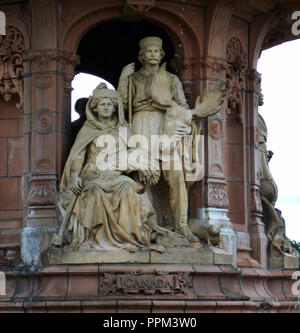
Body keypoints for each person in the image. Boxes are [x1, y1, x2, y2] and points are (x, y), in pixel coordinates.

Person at [118, 36, 224, 243]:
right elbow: (122, 105)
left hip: (165, 125)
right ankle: (147, 224)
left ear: (161, 55)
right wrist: (123, 78)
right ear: (141, 56)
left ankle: (181, 225)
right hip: (140, 125)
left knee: (175, 173)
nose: (152, 54)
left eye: (156, 51)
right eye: (148, 51)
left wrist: (188, 116)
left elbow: (182, 107)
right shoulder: (133, 79)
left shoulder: (172, 80)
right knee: (143, 174)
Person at [57, 83, 160, 252]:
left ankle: (129, 239)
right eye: (102, 104)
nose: (106, 108)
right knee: (95, 191)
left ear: (114, 107)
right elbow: (78, 154)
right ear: (95, 108)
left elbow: (131, 153)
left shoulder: (124, 130)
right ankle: (91, 239)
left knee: (127, 188)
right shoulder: (88, 129)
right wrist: (75, 175)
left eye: (109, 104)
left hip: (114, 174)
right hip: (92, 173)